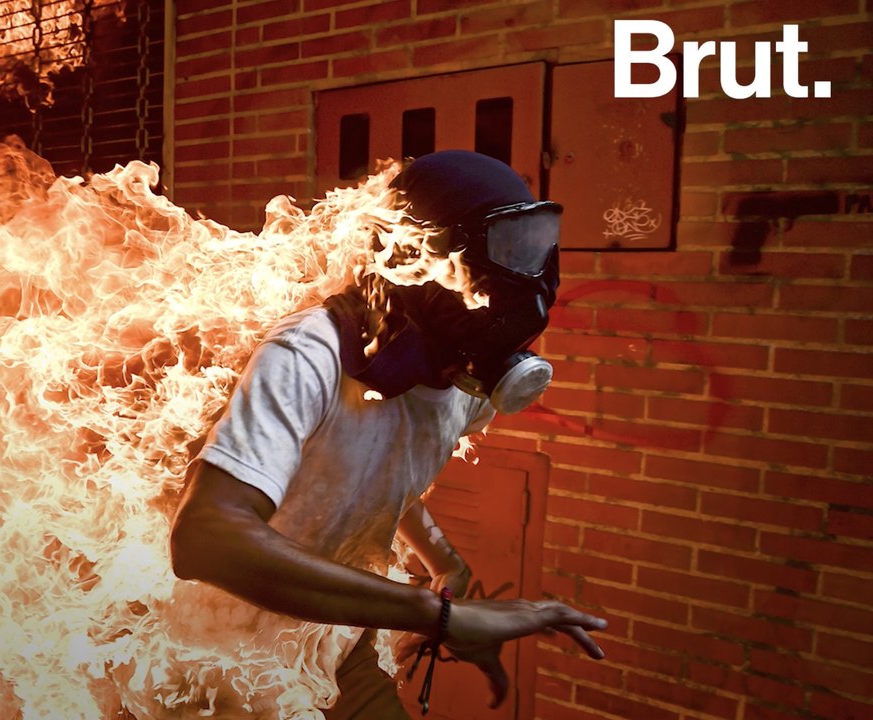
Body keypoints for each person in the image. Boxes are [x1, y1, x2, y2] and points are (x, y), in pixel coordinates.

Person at [170, 150, 607, 719]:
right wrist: (437, 614)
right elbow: (205, 538)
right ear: (418, 257)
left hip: (334, 644)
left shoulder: (466, 384)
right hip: (215, 664)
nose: (526, 276)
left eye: (535, 246)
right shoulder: (311, 354)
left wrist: (447, 565)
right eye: (506, 248)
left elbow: (378, 477)